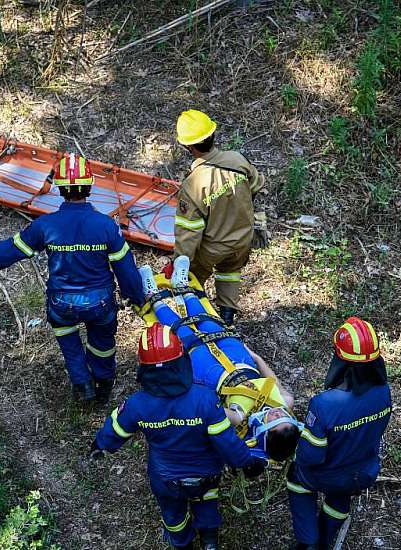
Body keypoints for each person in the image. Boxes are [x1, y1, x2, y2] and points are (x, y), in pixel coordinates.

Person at [0, 153, 145, 403]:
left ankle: (82, 385)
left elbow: (12, 249)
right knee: (102, 342)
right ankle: (103, 383)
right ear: (90, 185)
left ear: (60, 189)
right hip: (100, 303)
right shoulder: (106, 226)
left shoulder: (46, 225)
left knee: (69, 342)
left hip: (62, 303)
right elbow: (125, 269)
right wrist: (136, 296)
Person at [91, 323, 266, 550]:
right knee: (206, 502)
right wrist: (247, 462)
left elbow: (117, 429)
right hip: (206, 474)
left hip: (165, 478)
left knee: (172, 513)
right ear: (181, 360)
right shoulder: (205, 399)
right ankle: (209, 541)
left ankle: (182, 543)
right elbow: (226, 440)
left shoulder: (137, 405)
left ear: (144, 367)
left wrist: (100, 444)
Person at [138, 256, 300, 463]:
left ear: (264, 430)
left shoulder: (240, 418)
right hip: (242, 362)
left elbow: (208, 410)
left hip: (213, 375)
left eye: (275, 421)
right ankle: (184, 289)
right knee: (211, 325)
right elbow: (272, 379)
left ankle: (154, 298)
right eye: (284, 418)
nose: (278, 414)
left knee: (185, 335)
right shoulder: (286, 402)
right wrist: (254, 356)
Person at [286, 317, 393, 550]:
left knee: (296, 476)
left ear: (340, 360)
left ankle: (309, 543)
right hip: (362, 473)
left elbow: (311, 457)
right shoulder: (385, 392)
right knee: (342, 489)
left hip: (326, 475)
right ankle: (326, 538)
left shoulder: (324, 404)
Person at [173, 109, 270, 326]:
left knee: (193, 282)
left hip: (213, 248)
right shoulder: (237, 160)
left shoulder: (193, 184)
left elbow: (189, 231)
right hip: (243, 239)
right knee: (230, 272)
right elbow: (257, 185)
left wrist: (180, 262)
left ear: (188, 147)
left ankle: (197, 320)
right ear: (213, 135)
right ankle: (227, 318)